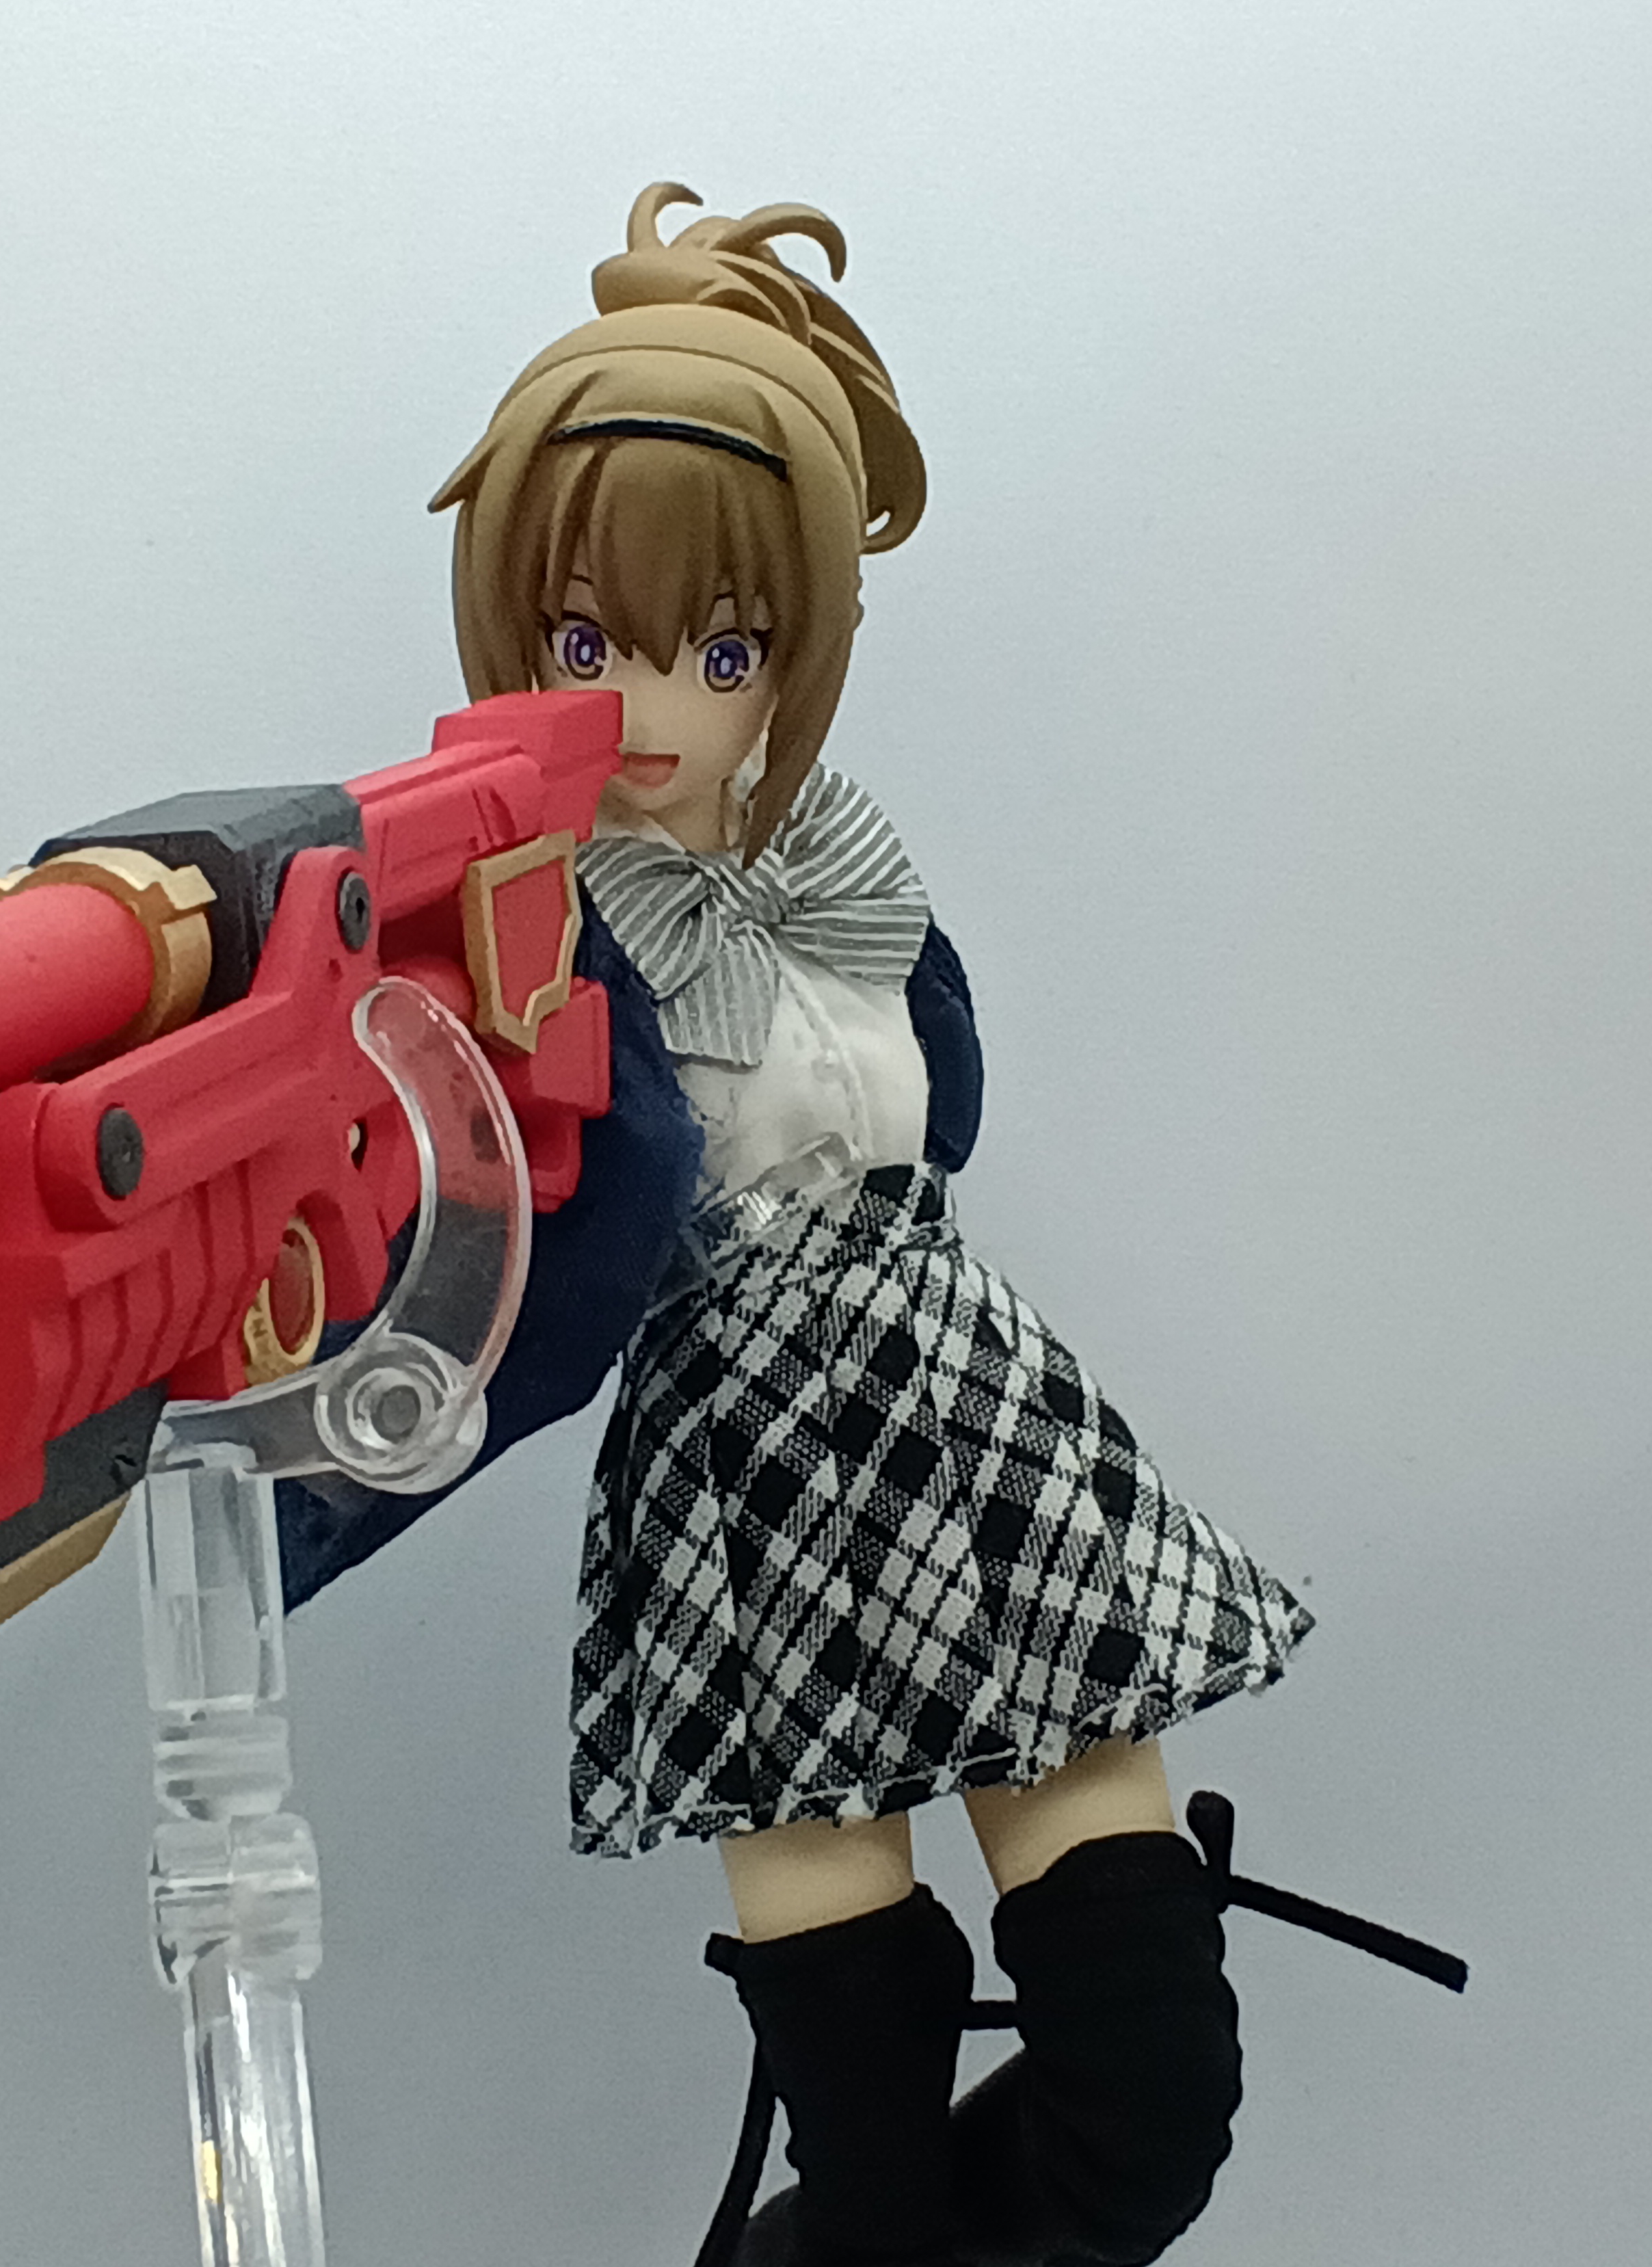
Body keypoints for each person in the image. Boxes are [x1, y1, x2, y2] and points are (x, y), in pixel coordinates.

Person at [289, 184, 1314, 2267]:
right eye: (590, 644)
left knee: (1150, 2103)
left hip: (970, 1422)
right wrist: (299, 1498)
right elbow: (481, 1262)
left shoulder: (842, 867)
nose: (659, 705)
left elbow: (937, 1111)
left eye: (726, 648)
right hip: (748, 1476)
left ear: (798, 659)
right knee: (870, 2140)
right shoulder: (516, 934)